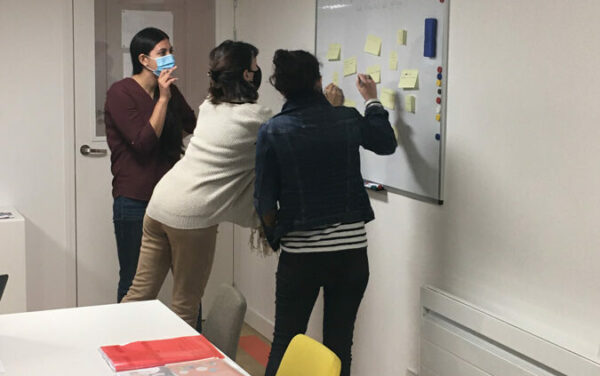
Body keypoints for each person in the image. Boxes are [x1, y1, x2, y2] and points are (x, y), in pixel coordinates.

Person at [254, 50, 397, 376]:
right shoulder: (346, 118)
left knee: (285, 342)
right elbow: (385, 142)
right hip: (350, 255)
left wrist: (277, 237)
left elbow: (264, 201)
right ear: (318, 82)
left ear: (282, 89)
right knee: (338, 347)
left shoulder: (273, 131)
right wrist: (371, 100)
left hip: (300, 256)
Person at [121, 40, 272, 328]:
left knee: (138, 295)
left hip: (160, 203)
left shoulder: (209, 107)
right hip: (191, 216)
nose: (257, 71)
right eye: (254, 66)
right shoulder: (258, 118)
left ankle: (115, 355)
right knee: (185, 307)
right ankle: (182, 372)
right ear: (246, 75)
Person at [104, 27, 196, 304]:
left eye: (171, 51)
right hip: (134, 198)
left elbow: (191, 123)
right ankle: (126, 343)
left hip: (171, 197)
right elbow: (142, 144)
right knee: (134, 280)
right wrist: (163, 99)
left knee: (186, 278)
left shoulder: (169, 89)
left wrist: (167, 133)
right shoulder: (121, 92)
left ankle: (194, 340)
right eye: (163, 53)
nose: (170, 57)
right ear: (144, 60)